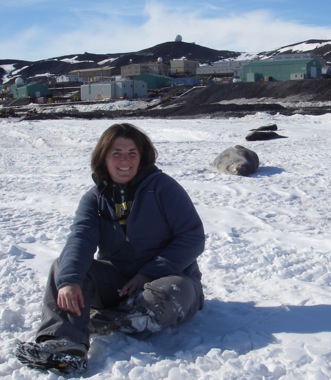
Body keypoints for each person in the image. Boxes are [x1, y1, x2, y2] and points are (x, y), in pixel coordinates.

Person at [15, 123, 205, 374]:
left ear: (142, 156)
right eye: (116, 153)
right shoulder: (94, 199)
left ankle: (113, 320)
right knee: (64, 268)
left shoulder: (163, 188)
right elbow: (80, 239)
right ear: (103, 157)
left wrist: (148, 272)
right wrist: (70, 281)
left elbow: (192, 237)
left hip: (167, 278)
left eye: (132, 153)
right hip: (118, 283)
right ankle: (65, 343)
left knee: (174, 290)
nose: (124, 160)